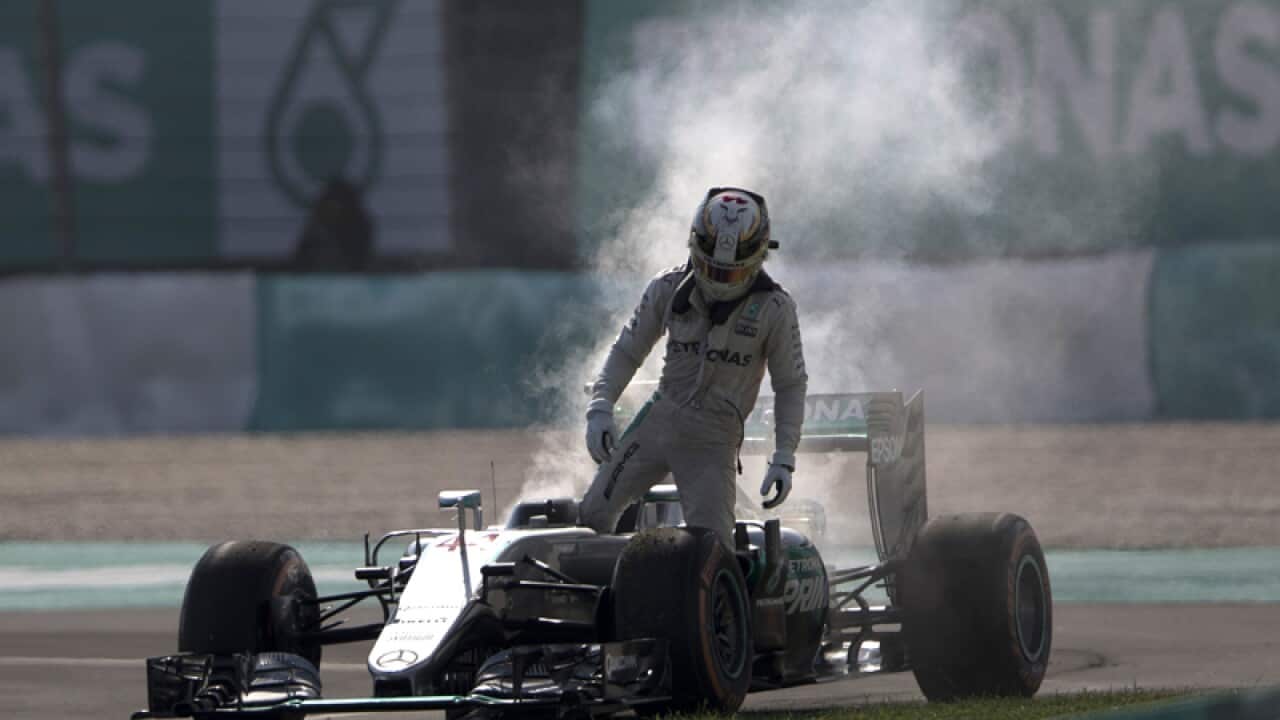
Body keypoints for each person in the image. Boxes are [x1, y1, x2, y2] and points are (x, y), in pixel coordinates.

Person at [580, 186, 808, 548]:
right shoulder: (666, 287)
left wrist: (784, 457)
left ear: (759, 258)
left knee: (712, 550)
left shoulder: (775, 308)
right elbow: (626, 351)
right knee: (590, 519)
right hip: (656, 421)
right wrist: (600, 407)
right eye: (709, 267)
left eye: (730, 274)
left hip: (714, 441)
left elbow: (790, 385)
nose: (718, 280)